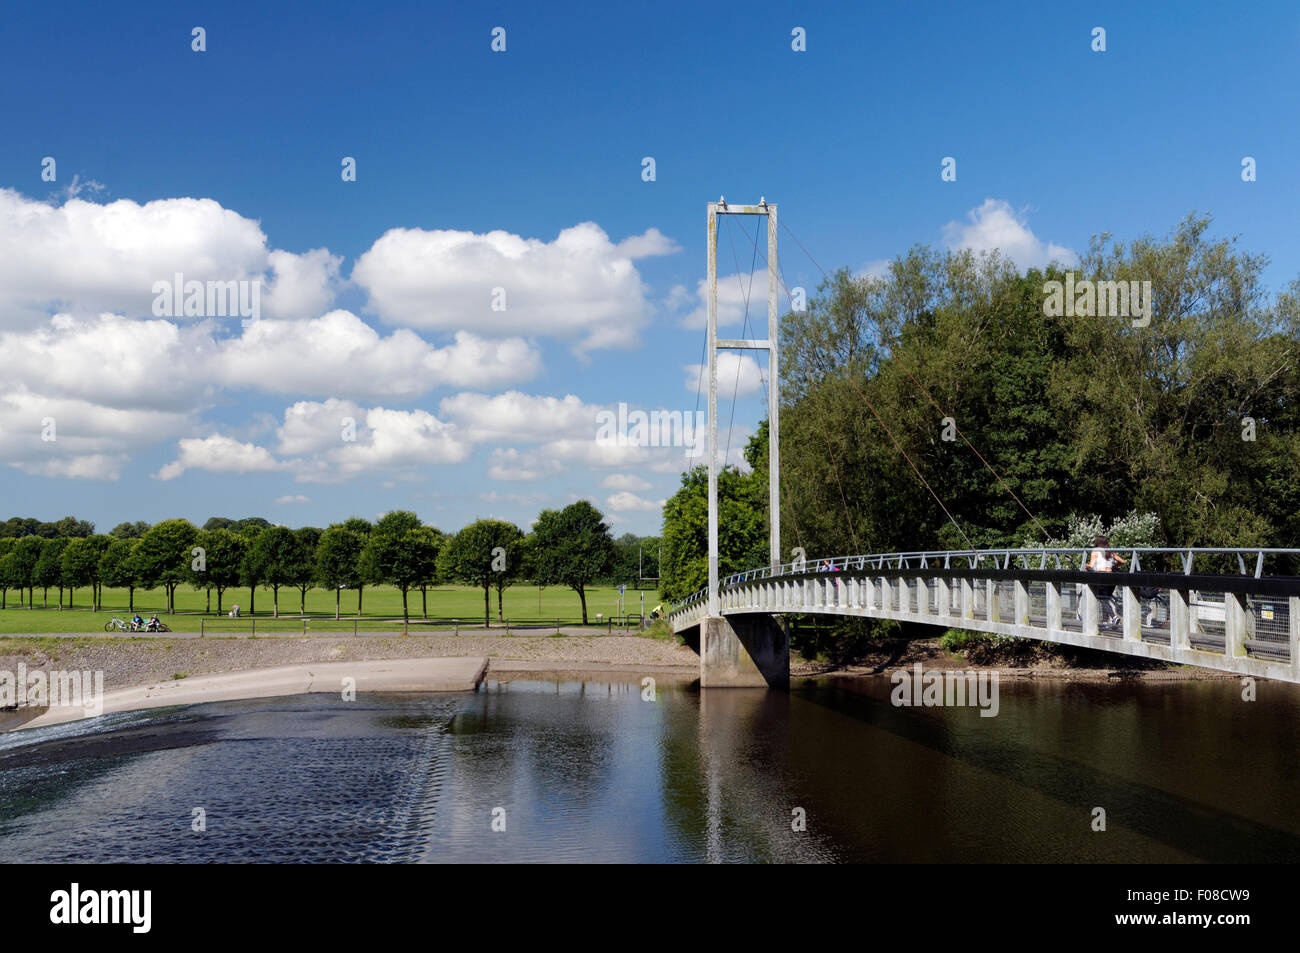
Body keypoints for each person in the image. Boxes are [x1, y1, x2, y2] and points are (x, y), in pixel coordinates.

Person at [1086, 535, 1126, 624]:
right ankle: (1105, 622)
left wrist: (1086, 566)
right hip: (1111, 578)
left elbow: (1091, 565)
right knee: (1106, 599)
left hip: (1102, 577)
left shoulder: (1095, 551)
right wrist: (1114, 567)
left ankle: (1114, 617)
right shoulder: (1110, 552)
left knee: (1102, 599)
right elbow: (1123, 561)